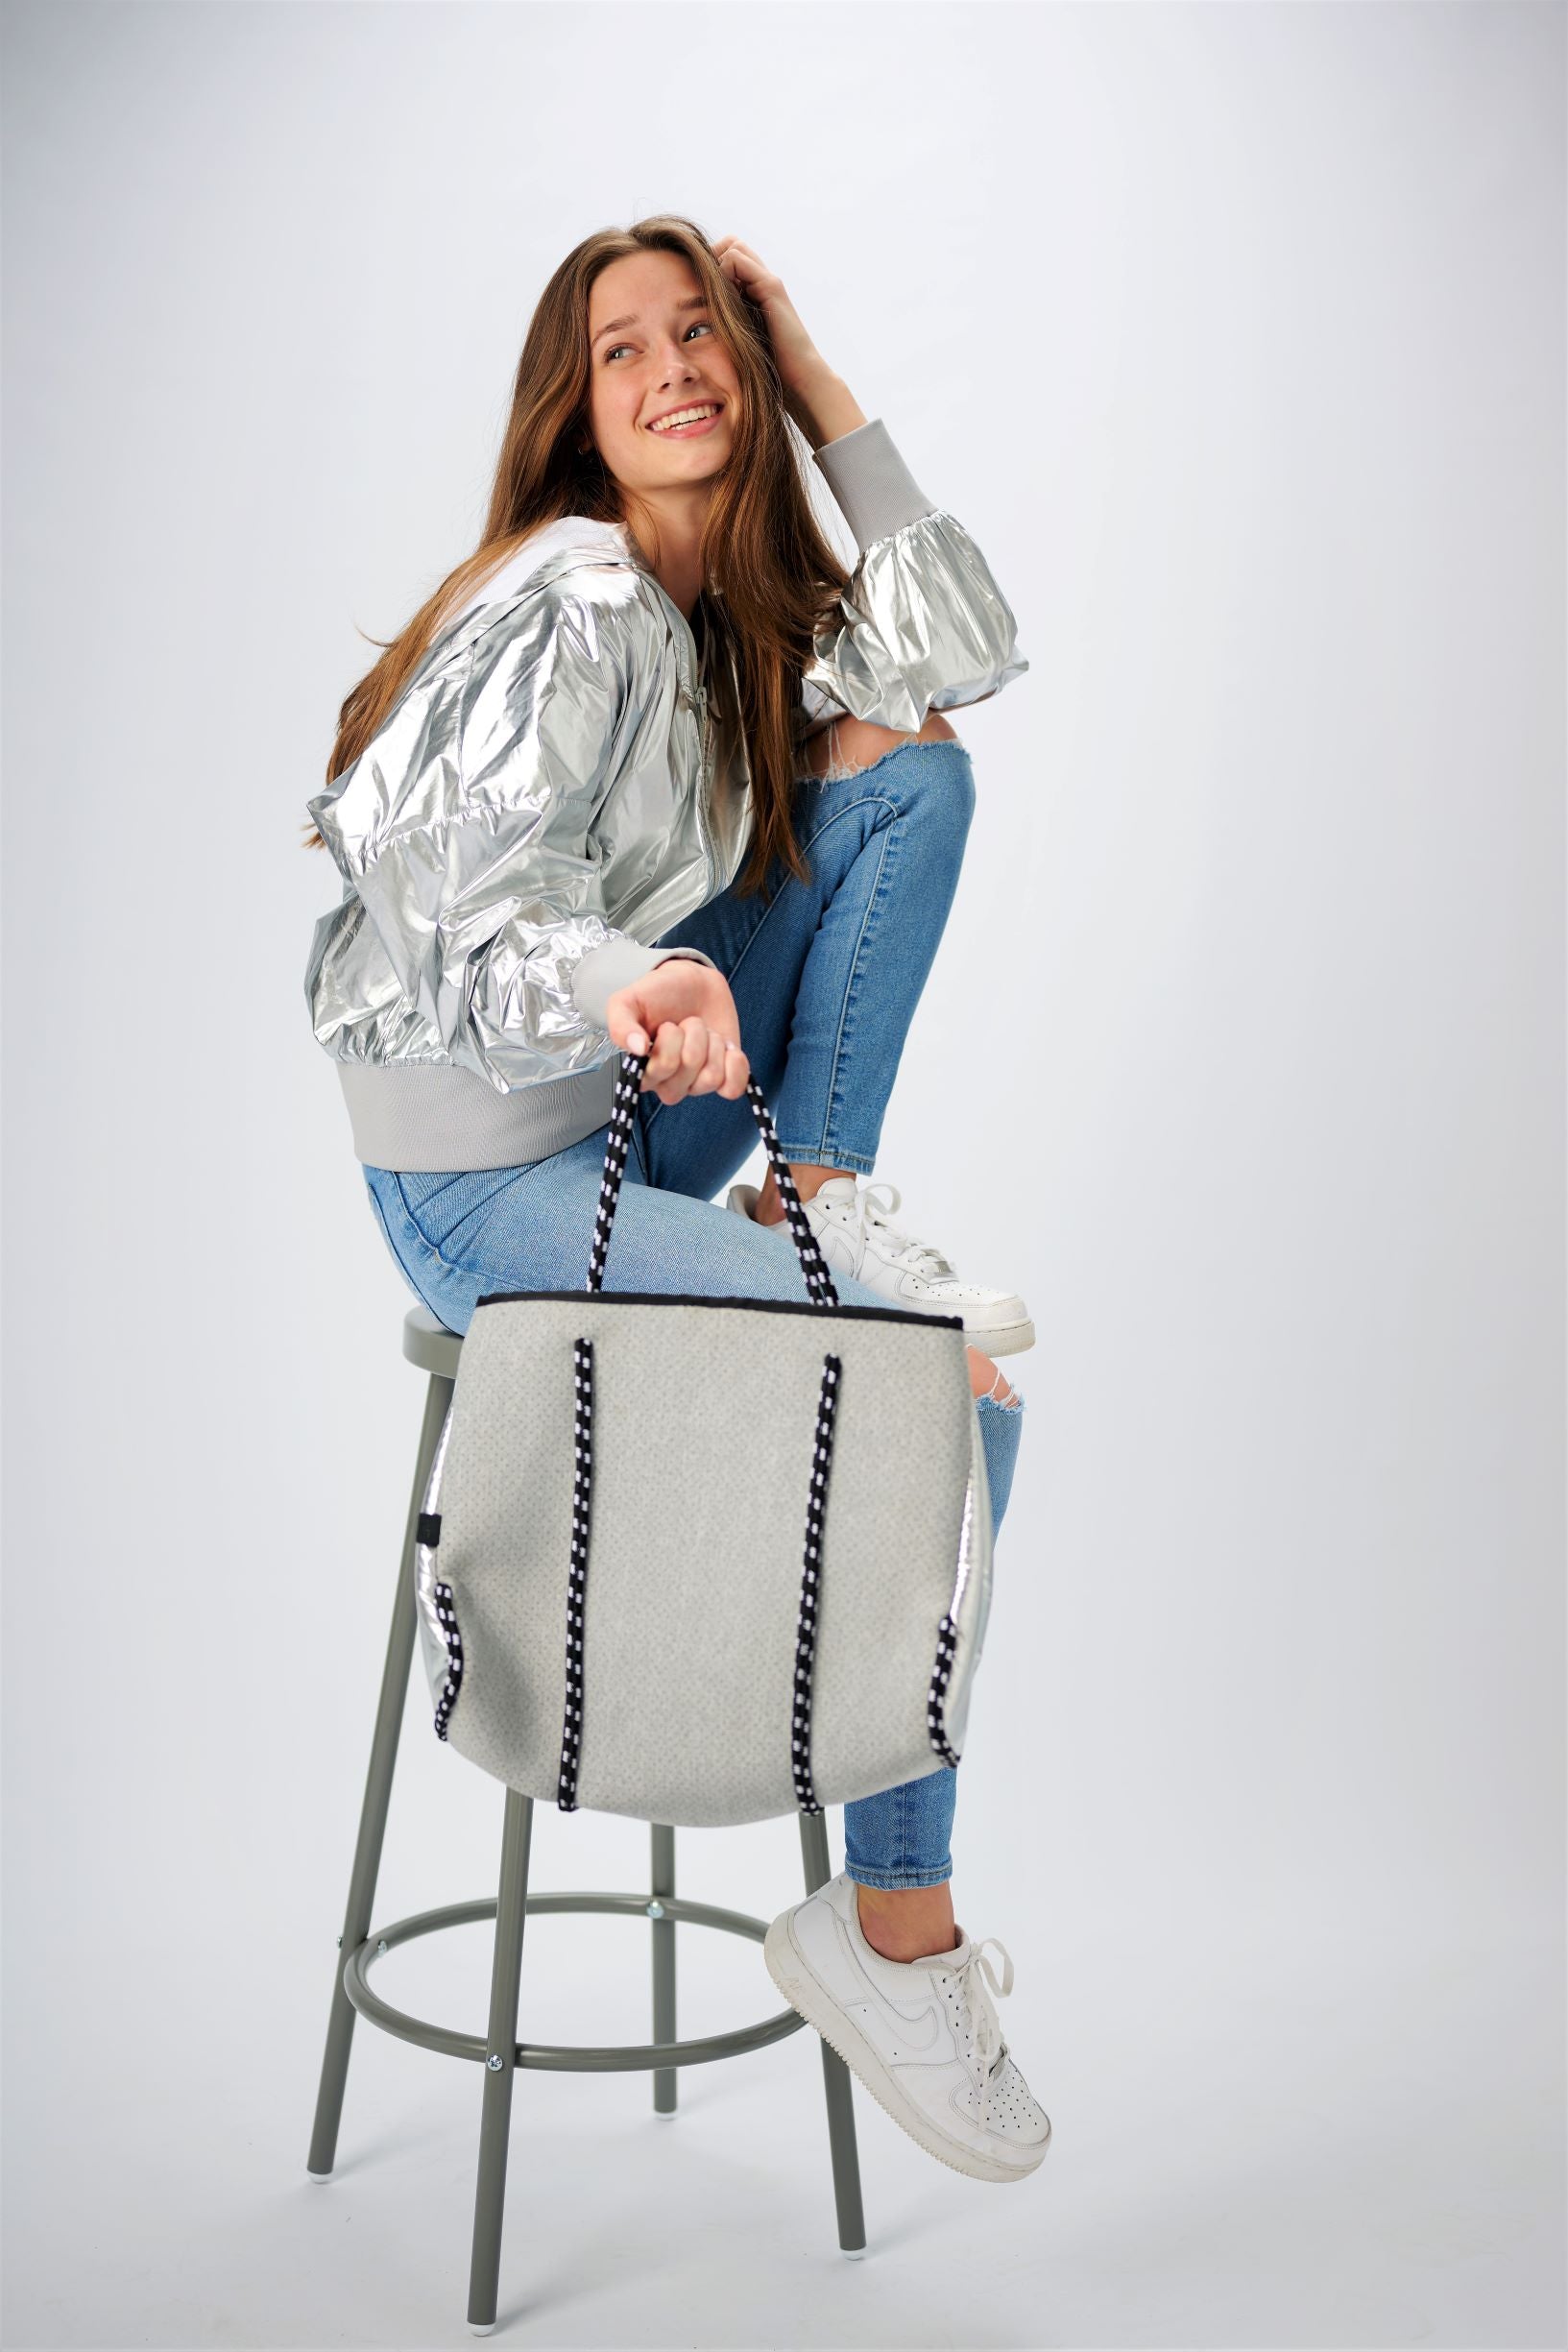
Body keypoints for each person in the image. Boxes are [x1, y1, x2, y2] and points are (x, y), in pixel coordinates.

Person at [302, 217, 1049, 2183]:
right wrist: (627, 979)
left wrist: (814, 368)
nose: (672, 366)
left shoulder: (733, 614)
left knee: (913, 771)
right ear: (577, 406)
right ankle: (897, 1936)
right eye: (621, 347)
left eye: (701, 331)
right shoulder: (568, 592)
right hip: (483, 1178)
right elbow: (450, 902)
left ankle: (821, 1201)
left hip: (644, 1118)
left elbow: (961, 656)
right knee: (949, 1396)